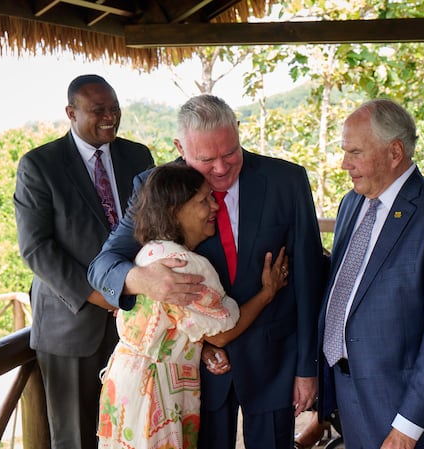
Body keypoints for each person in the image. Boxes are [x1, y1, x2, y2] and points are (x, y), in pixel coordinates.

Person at [88, 94, 326, 449]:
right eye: (206, 160)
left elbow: (308, 277)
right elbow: (103, 265)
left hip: (274, 361)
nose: (220, 168)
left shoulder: (286, 180)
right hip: (196, 374)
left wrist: (308, 368)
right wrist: (143, 280)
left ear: (238, 132)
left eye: (230, 153)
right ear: (179, 148)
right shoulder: (157, 186)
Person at [317, 99, 424, 449]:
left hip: (401, 406)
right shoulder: (351, 203)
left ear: (394, 152)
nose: (345, 163)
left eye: (355, 152)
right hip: (347, 387)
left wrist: (408, 427)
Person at [97, 163, 289, 448]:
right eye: (203, 200)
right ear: (175, 211)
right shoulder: (189, 265)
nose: (215, 206)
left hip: (125, 384)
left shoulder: (150, 251)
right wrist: (267, 292)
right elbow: (222, 333)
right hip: (157, 392)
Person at [14, 74, 154, 449]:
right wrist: (99, 295)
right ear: (71, 113)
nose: (110, 117)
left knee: (134, 429)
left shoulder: (138, 156)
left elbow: (153, 226)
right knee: (76, 438)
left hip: (135, 321)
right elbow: (36, 248)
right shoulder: (39, 165)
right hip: (71, 325)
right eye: (98, 110)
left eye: (115, 108)